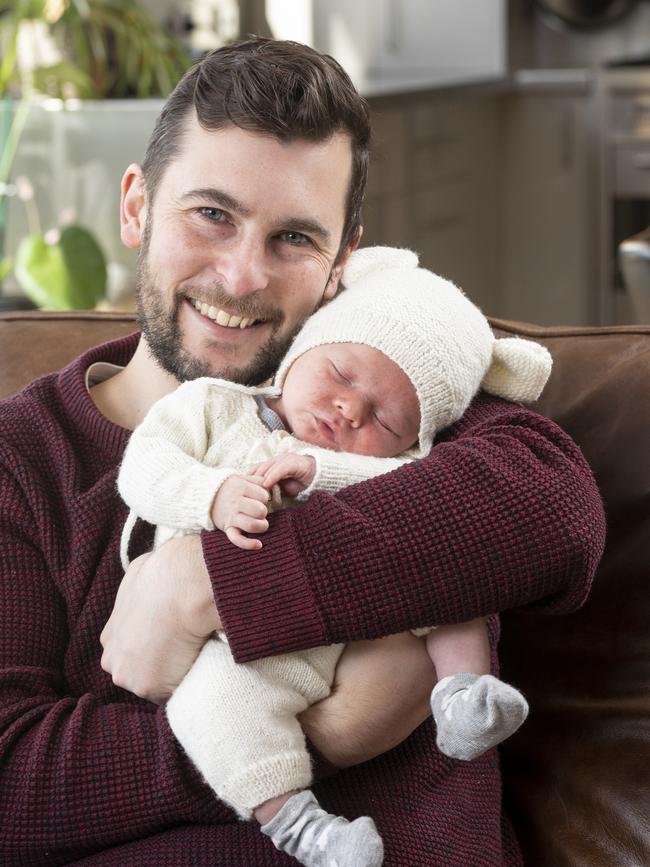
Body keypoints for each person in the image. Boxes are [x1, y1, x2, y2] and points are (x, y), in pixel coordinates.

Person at [0, 37, 605, 866]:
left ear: (340, 263)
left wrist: (211, 582)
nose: (242, 275)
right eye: (211, 214)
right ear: (136, 207)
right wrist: (320, 732)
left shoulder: (386, 399)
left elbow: (556, 513)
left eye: (293, 238)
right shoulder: (20, 462)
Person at [117, 244, 551, 867]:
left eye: (385, 417)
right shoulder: (213, 407)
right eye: (343, 376)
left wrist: (322, 470)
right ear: (304, 349)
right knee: (212, 706)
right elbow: (146, 467)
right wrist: (210, 495)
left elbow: (420, 498)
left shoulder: (397, 466)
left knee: (452, 583)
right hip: (242, 657)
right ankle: (305, 829)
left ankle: (465, 696)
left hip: (363, 629)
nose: (349, 408)